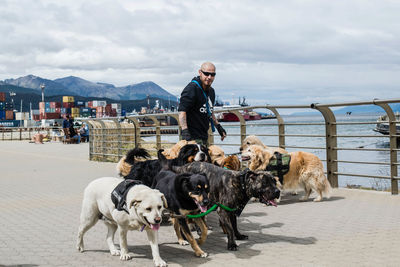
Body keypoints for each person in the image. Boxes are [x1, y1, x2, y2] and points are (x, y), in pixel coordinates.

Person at [178, 62, 226, 146]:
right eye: (206, 74)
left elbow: (210, 111)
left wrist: (218, 127)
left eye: (212, 74)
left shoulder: (211, 91)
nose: (209, 77)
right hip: (191, 137)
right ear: (200, 72)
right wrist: (185, 132)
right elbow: (182, 112)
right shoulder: (191, 89)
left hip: (203, 136)